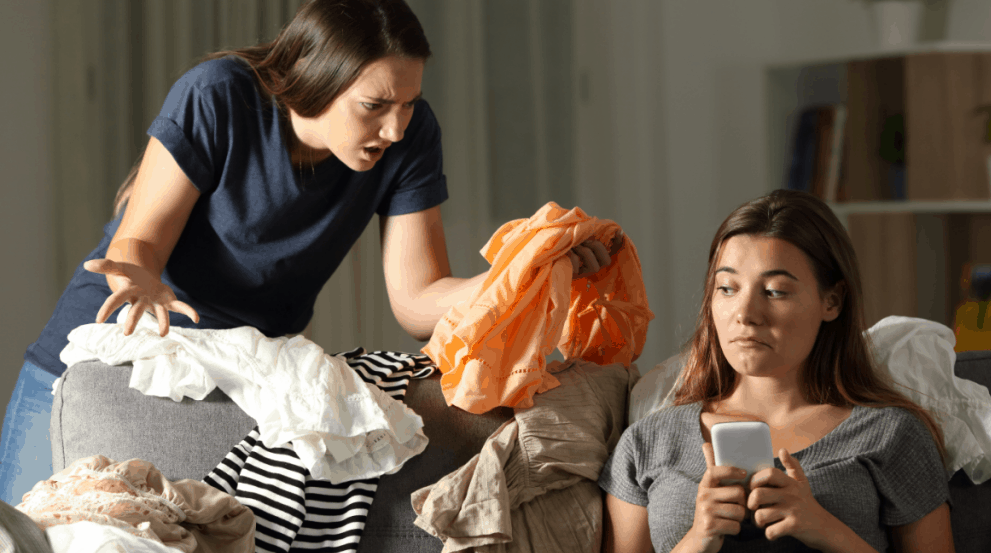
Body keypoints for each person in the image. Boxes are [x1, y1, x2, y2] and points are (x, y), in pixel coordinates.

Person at [0, 0, 616, 506]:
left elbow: (418, 299)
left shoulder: (409, 139)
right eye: (376, 106)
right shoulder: (218, 96)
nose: (397, 128)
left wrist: (526, 267)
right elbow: (140, 240)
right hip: (93, 364)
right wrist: (140, 279)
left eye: (408, 104)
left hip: (230, 389)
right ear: (319, 79)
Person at [598, 189, 961, 553]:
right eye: (727, 288)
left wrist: (826, 531)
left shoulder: (891, 434)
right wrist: (695, 542)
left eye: (774, 291)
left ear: (832, 300)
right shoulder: (647, 443)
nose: (745, 314)